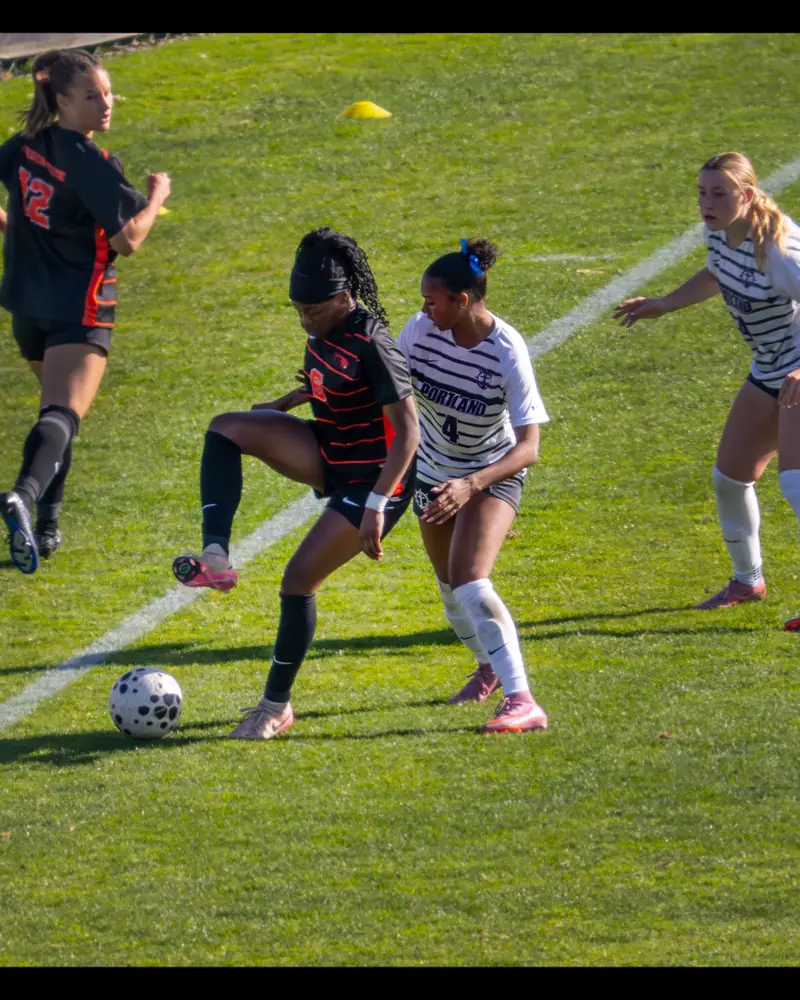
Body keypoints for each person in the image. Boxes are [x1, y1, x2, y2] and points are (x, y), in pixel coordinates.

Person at [172, 228, 419, 740]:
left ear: (344, 296)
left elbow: (408, 432)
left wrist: (377, 504)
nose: (305, 319)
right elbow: (327, 380)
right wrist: (284, 404)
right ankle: (215, 557)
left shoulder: (374, 342)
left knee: (298, 578)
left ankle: (275, 707)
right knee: (227, 427)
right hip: (330, 452)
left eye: (313, 309)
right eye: (299, 311)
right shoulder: (323, 331)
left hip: (377, 477)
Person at [0, 48, 170, 574]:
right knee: (63, 414)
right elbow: (127, 241)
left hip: (28, 307)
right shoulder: (91, 162)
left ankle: (45, 528)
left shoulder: (25, 147)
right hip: (81, 306)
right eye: (92, 95)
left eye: (108, 92)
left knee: (58, 415)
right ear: (63, 100)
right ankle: (24, 498)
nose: (105, 104)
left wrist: (16, 228)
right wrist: (157, 198)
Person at [614, 152, 800, 631]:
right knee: (730, 477)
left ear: (747, 195)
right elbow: (718, 271)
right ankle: (747, 580)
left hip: (798, 371)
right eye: (702, 192)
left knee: (796, 485)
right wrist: (663, 303)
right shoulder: (719, 233)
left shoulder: (779, 251)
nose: (707, 203)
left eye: (719, 193)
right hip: (771, 369)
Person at [396, 238, 550, 733]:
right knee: (450, 590)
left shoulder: (507, 349)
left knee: (469, 579)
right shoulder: (421, 331)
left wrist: (471, 484)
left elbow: (529, 448)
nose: (424, 308)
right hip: (434, 474)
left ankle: (522, 699)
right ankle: (487, 666)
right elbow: (390, 388)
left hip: (490, 474)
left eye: (432, 300)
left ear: (462, 301)